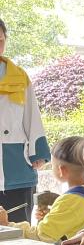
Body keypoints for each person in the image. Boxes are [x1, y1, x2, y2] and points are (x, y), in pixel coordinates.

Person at [0, 136, 84, 242]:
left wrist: (7, 224)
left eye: (53, 165)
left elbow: (40, 236)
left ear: (61, 170)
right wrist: (51, 217)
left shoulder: (70, 201)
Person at [0, 18, 50, 222]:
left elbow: (32, 116)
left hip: (17, 167)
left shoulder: (19, 76)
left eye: (1, 40)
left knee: (20, 229)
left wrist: (39, 152)